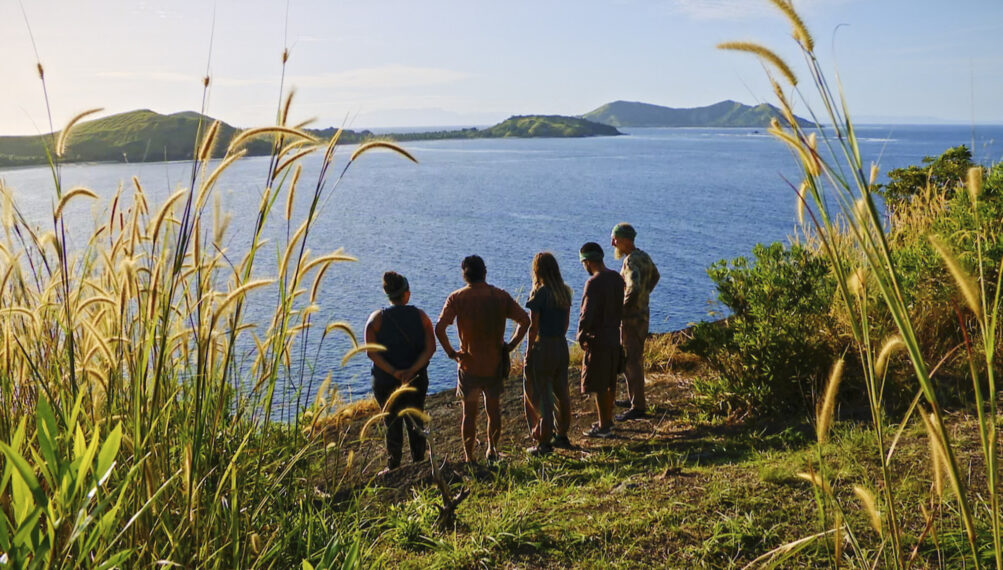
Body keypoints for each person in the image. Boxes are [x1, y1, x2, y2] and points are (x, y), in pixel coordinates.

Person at [435, 255, 530, 463]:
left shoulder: (457, 298)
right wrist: (511, 346)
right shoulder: (499, 296)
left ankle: (469, 457)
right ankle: (492, 450)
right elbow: (525, 320)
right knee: (493, 411)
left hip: (469, 365)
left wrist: (452, 353)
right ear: (484, 272)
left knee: (469, 415)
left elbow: (440, 328)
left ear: (464, 274)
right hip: (494, 364)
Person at [365, 271, 436, 475]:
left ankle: (393, 465)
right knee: (416, 419)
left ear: (388, 295)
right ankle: (419, 462)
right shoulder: (420, 316)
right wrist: (411, 371)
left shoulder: (376, 319)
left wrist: (395, 372)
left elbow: (371, 351)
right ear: (406, 293)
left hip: (385, 381)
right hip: (415, 380)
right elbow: (430, 348)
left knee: (391, 422)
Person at [523, 252, 573, 455]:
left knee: (543, 393)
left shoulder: (540, 293)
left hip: (543, 346)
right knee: (562, 391)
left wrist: (528, 351)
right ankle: (562, 434)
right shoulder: (565, 291)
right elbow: (567, 322)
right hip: (561, 344)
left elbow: (533, 326)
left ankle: (544, 441)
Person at [610, 223, 661, 421]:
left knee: (631, 361)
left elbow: (632, 287)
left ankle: (638, 406)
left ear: (624, 240)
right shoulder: (643, 256)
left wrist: (622, 309)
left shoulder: (630, 262)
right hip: (643, 314)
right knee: (633, 358)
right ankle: (634, 398)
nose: (613, 243)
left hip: (631, 319)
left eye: (615, 239)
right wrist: (645, 296)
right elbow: (655, 276)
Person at [576, 242, 625, 438]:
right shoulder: (616, 278)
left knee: (598, 383)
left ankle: (603, 426)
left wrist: (581, 334)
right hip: (614, 335)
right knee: (611, 380)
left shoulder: (593, 283)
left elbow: (586, 314)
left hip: (598, 338)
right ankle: (608, 420)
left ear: (587, 261)